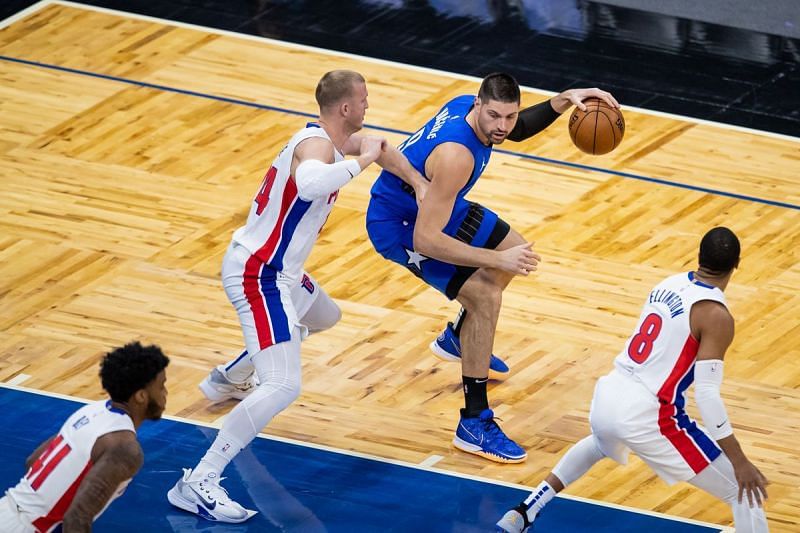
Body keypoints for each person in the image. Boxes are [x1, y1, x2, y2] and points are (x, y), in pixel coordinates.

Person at [167, 70, 427, 523]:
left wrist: (419, 185)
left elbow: (380, 146)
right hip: (260, 276)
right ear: (345, 108)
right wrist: (362, 163)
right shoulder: (316, 147)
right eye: (363, 100)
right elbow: (311, 183)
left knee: (325, 315)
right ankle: (199, 481)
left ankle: (230, 377)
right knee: (284, 385)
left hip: (282, 273)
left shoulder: (328, 139)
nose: (368, 106)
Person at [366, 72, 618, 463]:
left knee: (516, 251)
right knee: (485, 295)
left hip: (435, 206)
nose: (503, 126)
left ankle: (461, 338)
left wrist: (565, 97)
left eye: (510, 116)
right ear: (479, 106)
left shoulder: (472, 111)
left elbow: (518, 131)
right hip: (400, 226)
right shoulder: (457, 157)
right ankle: (473, 421)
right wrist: (494, 259)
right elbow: (426, 241)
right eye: (495, 116)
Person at [496, 227, 769, 533]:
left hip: (610, 394)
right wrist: (740, 461)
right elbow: (707, 395)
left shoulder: (670, 283)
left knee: (601, 442)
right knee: (744, 491)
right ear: (738, 263)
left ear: (699, 257)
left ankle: (525, 511)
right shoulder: (716, 316)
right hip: (651, 416)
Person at [0, 342, 169, 533]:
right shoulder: (125, 448)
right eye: (161, 387)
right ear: (140, 396)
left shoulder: (91, 410)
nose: (165, 394)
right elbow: (76, 519)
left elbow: (33, 461)